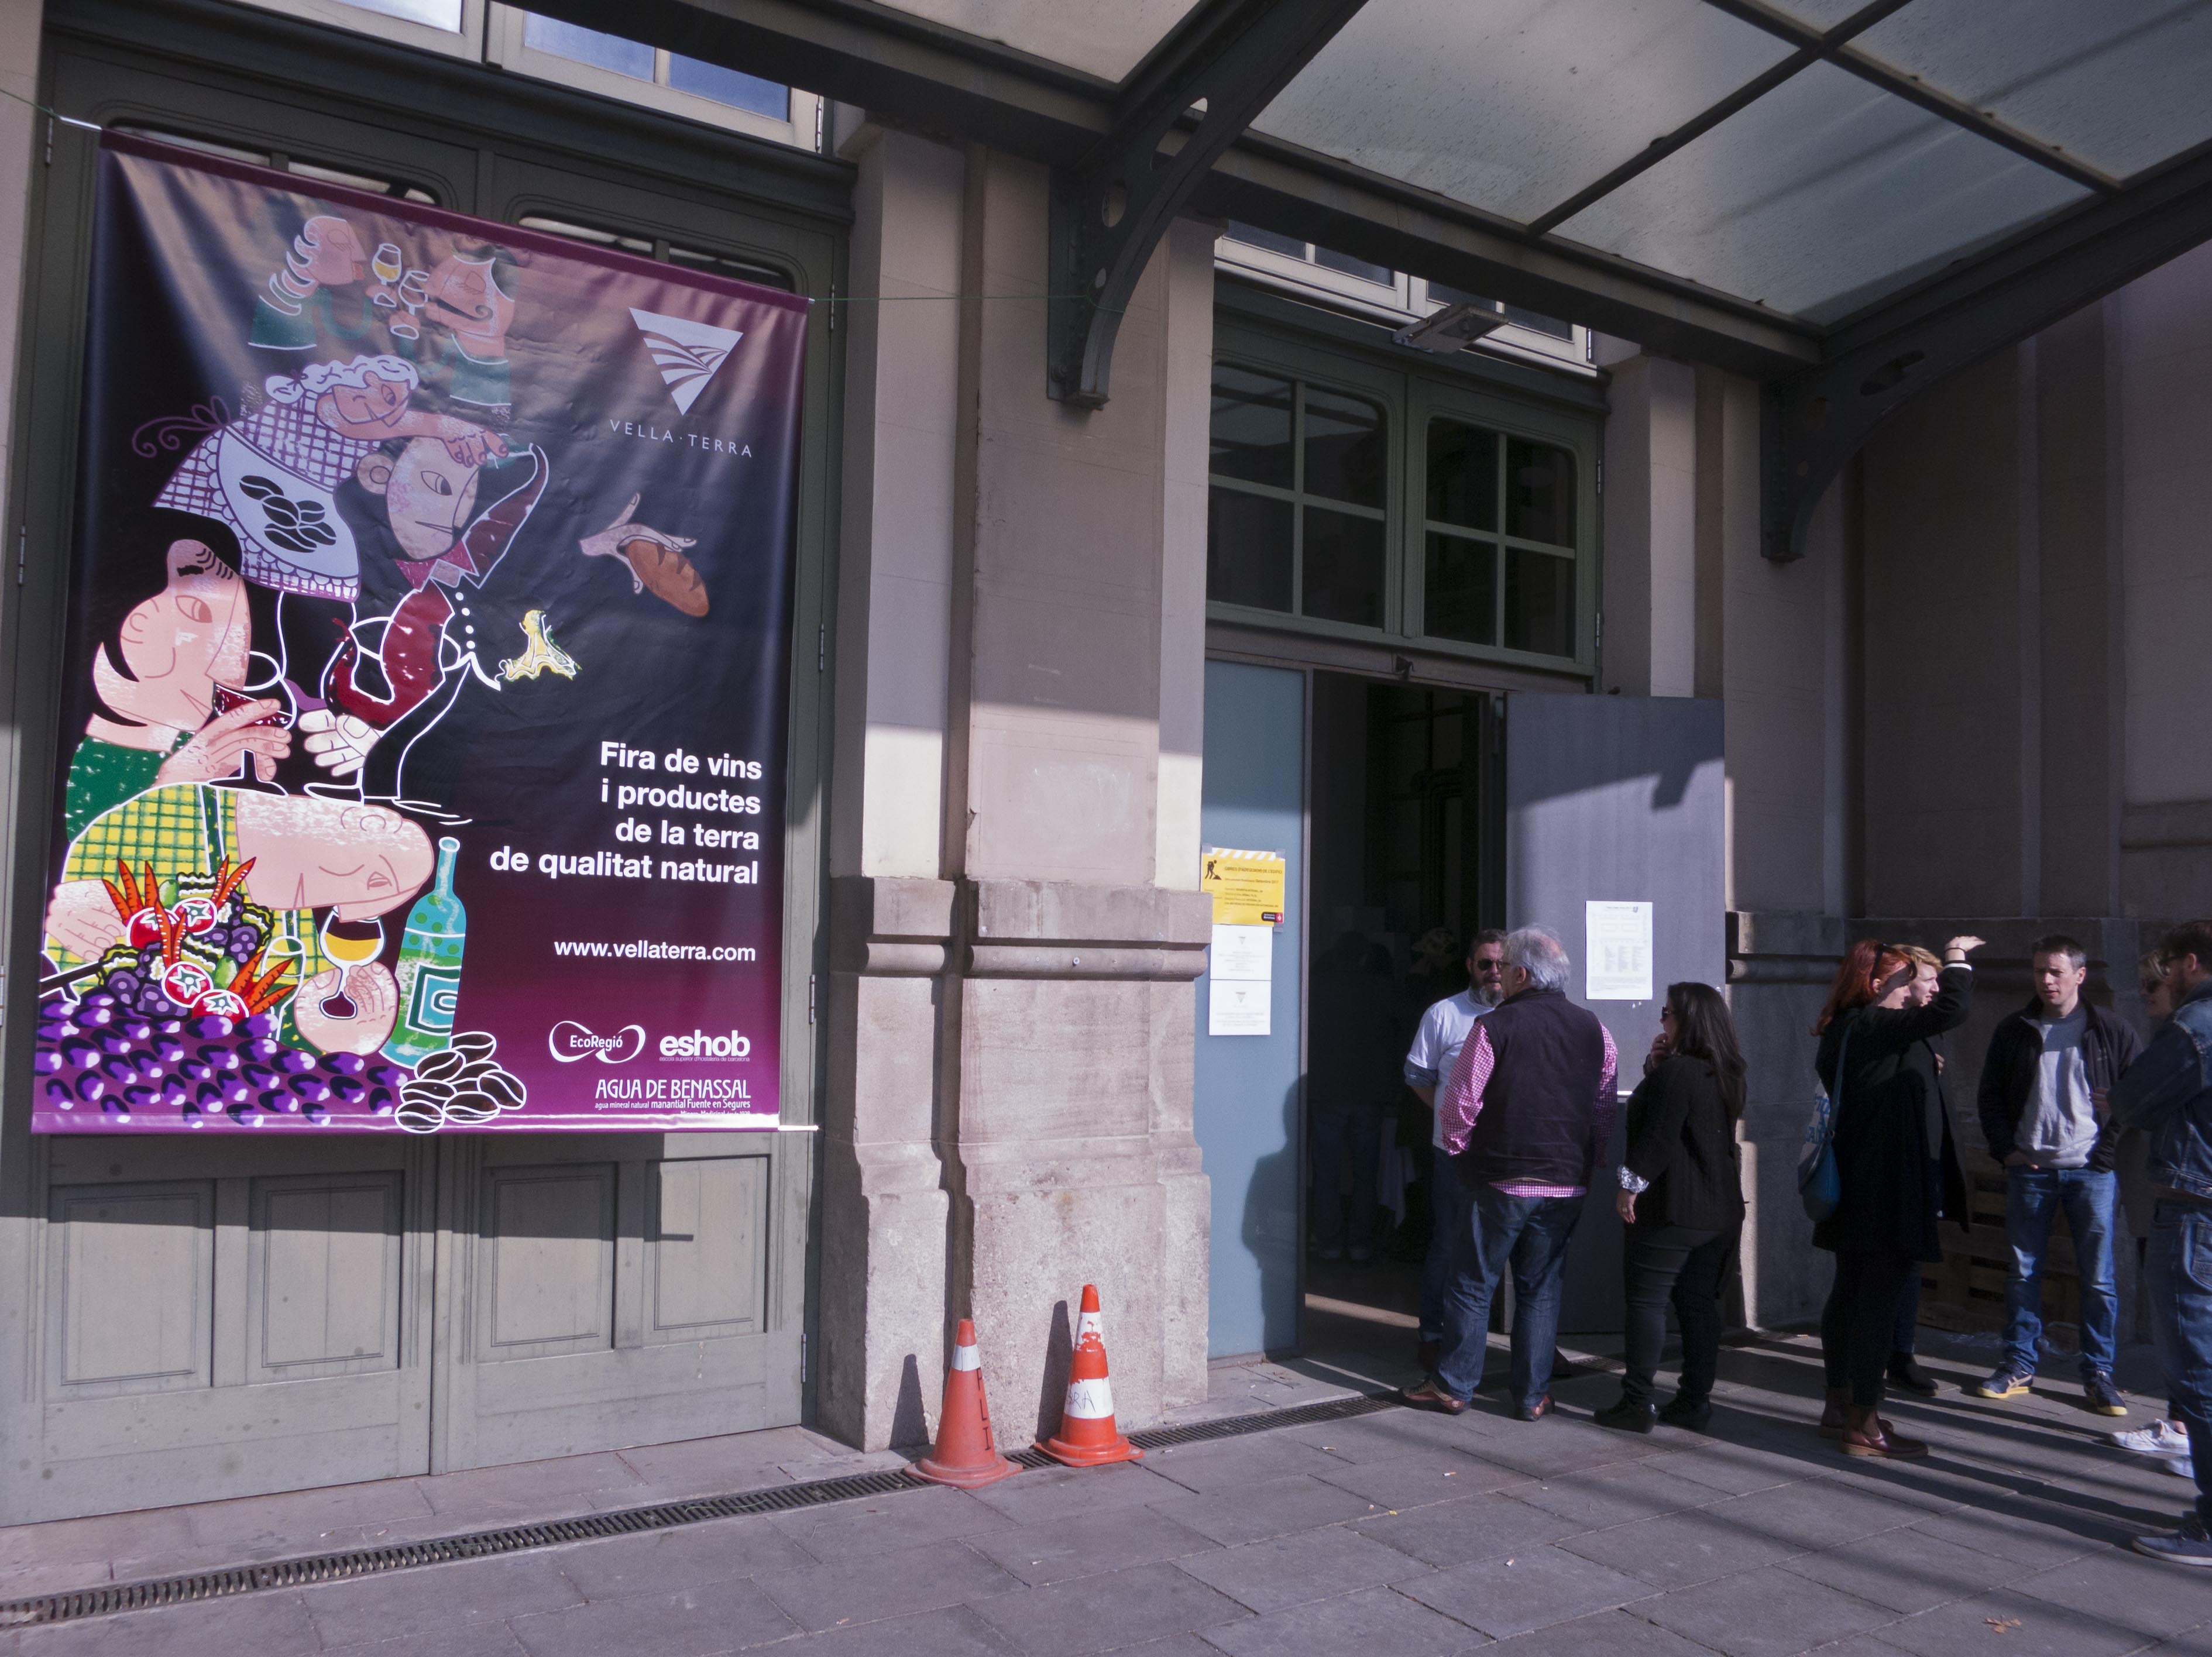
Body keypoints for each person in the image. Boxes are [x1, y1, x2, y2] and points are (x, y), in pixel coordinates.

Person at [1401, 926, 1616, 1421]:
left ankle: (1453, 1386)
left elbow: (1458, 1105)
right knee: (1541, 1288)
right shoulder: (1595, 1029)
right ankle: (1532, 1395)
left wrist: (1462, 1158)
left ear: (1521, 974)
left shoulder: (1494, 1027)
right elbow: (1604, 1106)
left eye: (1505, 968)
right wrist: (1592, 1162)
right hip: (1566, 1181)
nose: (1498, 975)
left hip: (1503, 1178)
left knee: (1473, 1283)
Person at [1812, 934, 1982, 1458]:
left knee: (1850, 1293)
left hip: (1861, 1185)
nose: (1916, 988)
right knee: (1876, 1303)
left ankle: (1840, 1404)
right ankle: (1864, 1422)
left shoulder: (1854, 1029)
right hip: (1886, 1188)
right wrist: (1957, 959)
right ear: (1877, 984)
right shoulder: (1870, 1025)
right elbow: (1954, 1009)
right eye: (1907, 978)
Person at [1968, 934, 2139, 1415]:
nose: (2046, 980)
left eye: (2056, 972)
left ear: (2079, 976)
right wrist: (2007, 1151)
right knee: (2023, 1272)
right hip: (2032, 1170)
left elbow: (2135, 1096)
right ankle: (2019, 1364)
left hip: (2091, 1172)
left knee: (2099, 1279)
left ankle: (2099, 1373)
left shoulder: (2110, 1029)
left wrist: (2104, 1156)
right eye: (2040, 970)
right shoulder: (2015, 1029)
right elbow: (1990, 1095)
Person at [1593, 982, 1746, 1433]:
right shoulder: (1727, 1071)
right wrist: (1656, 1069)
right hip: (1718, 1210)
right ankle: (1695, 1401)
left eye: (1667, 1013)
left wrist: (1629, 1185)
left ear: (1688, 1021)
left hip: (1674, 1209)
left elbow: (1659, 1134)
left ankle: (1637, 1401)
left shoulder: (1680, 1072)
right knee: (1698, 1306)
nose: (1662, 1020)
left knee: (1647, 1302)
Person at [2108, 920, 2212, 1566]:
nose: (2161, 978)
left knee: (2197, 1376)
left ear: (2190, 963)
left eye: (2166, 967)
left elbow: (2132, 1098)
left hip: (2197, 1212)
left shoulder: (2197, 1024)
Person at [1404, 930, 1508, 1367]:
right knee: (1449, 1244)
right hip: (1455, 1154)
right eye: (1485, 964)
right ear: (1470, 966)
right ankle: (1433, 1333)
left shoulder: (1523, 1015)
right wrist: (1452, 1115)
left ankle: (1526, 1340)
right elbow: (1417, 1076)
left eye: (1502, 964)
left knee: (1512, 1249)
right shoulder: (1444, 1014)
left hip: (1509, 1156)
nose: (1494, 973)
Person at [2111, 951, 2194, 1476]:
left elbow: (2134, 1102)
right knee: (2180, 1327)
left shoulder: (2185, 1041)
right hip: (2158, 1200)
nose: (2144, 993)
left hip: (2178, 1202)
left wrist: (2123, 1102)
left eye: (2153, 986)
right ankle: (2182, 1425)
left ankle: (2188, 1433)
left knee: (2186, 1326)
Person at [1880, 946, 1949, 1397]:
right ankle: (1873, 1361)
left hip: (1927, 1161)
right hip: (1892, 1167)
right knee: (1883, 1266)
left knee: (1910, 1263)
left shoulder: (1926, 1031)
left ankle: (1900, 1352)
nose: (1937, 989)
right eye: (1930, 980)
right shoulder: (1886, 1029)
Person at [1308, 931, 1397, 1262]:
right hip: (1369, 1093)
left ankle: (1329, 1244)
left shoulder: (1316, 987)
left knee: (1327, 1174)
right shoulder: (1383, 989)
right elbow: (1394, 1038)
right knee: (1365, 1174)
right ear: (1364, 957)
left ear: (1335, 955)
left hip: (1327, 1090)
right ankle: (1361, 1244)